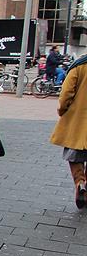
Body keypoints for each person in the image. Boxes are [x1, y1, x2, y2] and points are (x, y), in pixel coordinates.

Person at [50, 51, 87, 209]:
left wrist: (63, 111)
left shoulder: (79, 65)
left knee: (75, 156)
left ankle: (80, 182)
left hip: (79, 120)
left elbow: (66, 94)